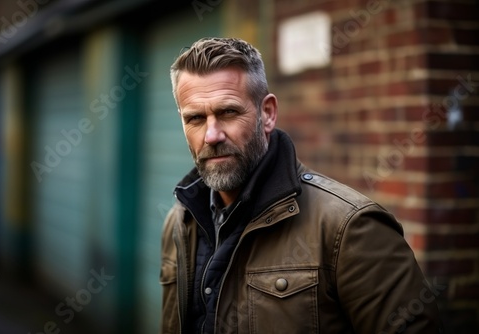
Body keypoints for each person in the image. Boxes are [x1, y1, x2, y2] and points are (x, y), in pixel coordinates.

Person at [160, 37, 442, 333]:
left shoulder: (348, 228)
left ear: (267, 114)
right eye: (195, 118)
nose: (212, 135)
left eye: (228, 112)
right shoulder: (179, 224)